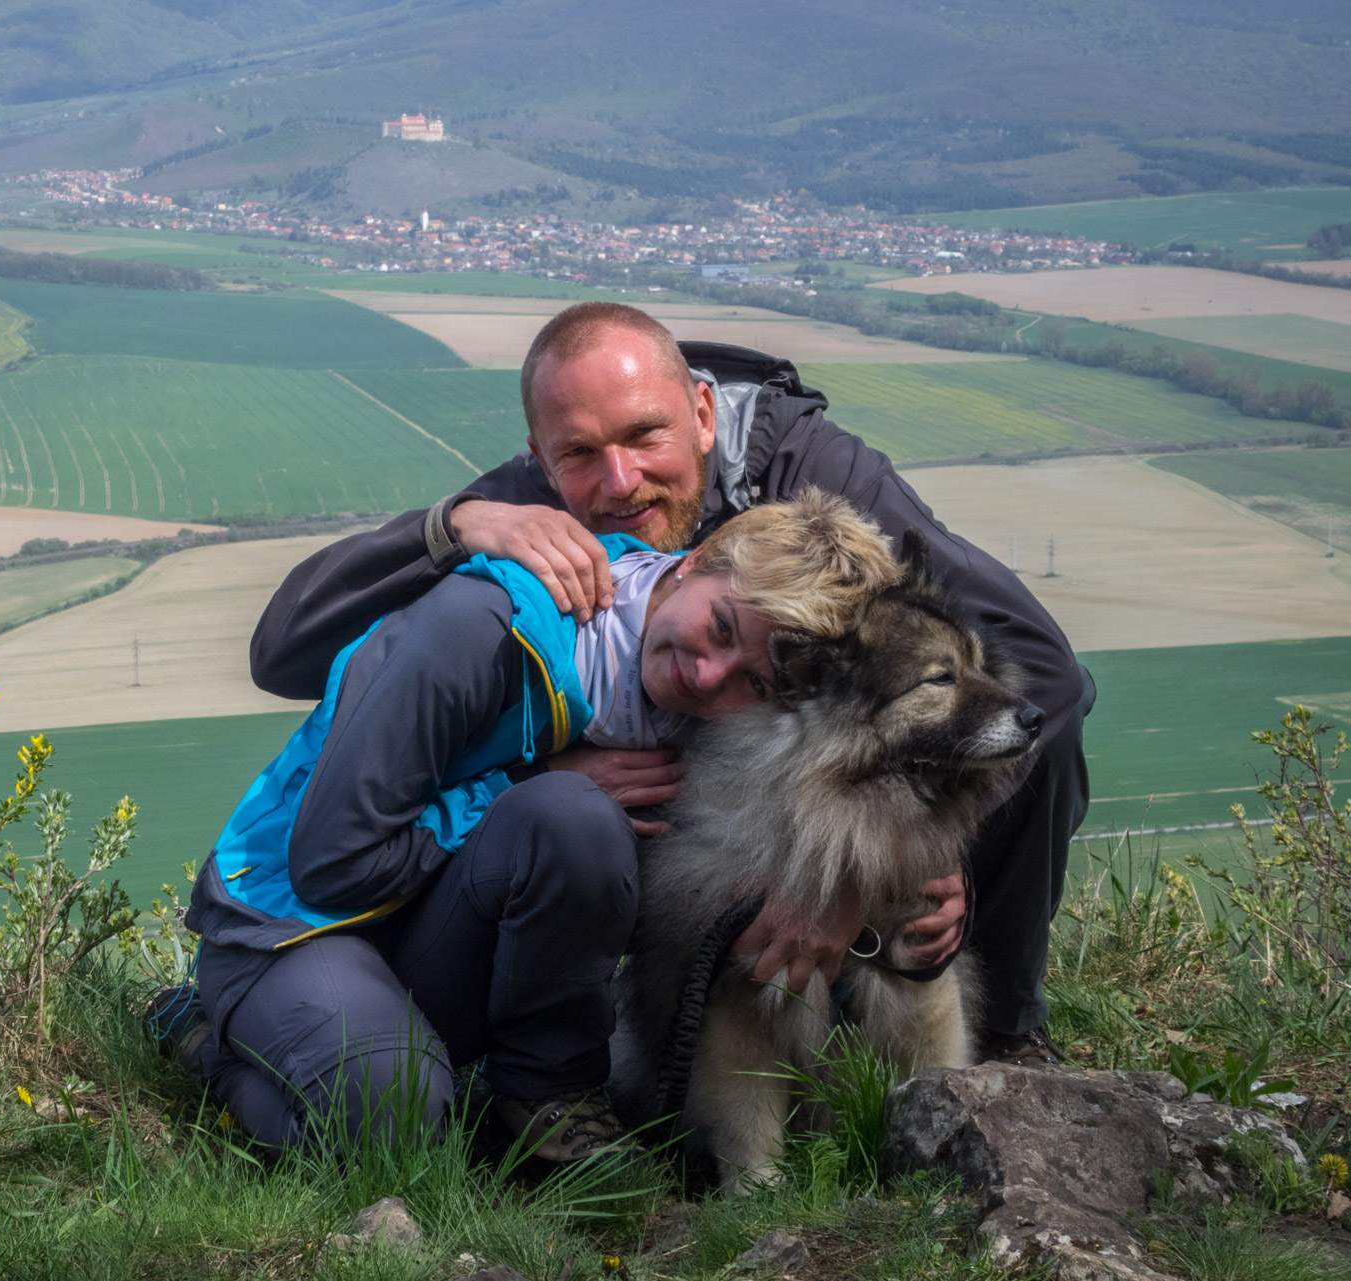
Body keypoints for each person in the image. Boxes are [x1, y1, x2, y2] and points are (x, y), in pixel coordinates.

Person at [247, 302, 1094, 1062]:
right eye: (579, 452)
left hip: (778, 807)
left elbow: (1045, 677)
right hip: (597, 832)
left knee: (1031, 747)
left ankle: (1012, 1042)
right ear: (541, 456)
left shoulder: (822, 484)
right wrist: (456, 524)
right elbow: (285, 651)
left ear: (700, 412)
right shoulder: (533, 511)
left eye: (645, 436)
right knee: (573, 820)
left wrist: (887, 879)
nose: (618, 483)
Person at [171, 491, 899, 1159]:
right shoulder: (484, 626)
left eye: (755, 683)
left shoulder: (695, 710)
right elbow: (333, 862)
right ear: (696, 561)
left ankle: (544, 1094)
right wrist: (526, 782)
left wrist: (851, 891)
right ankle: (200, 1040)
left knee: (570, 821)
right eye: (719, 626)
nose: (709, 676)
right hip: (294, 923)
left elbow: (873, 767)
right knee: (394, 1118)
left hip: (425, 925)